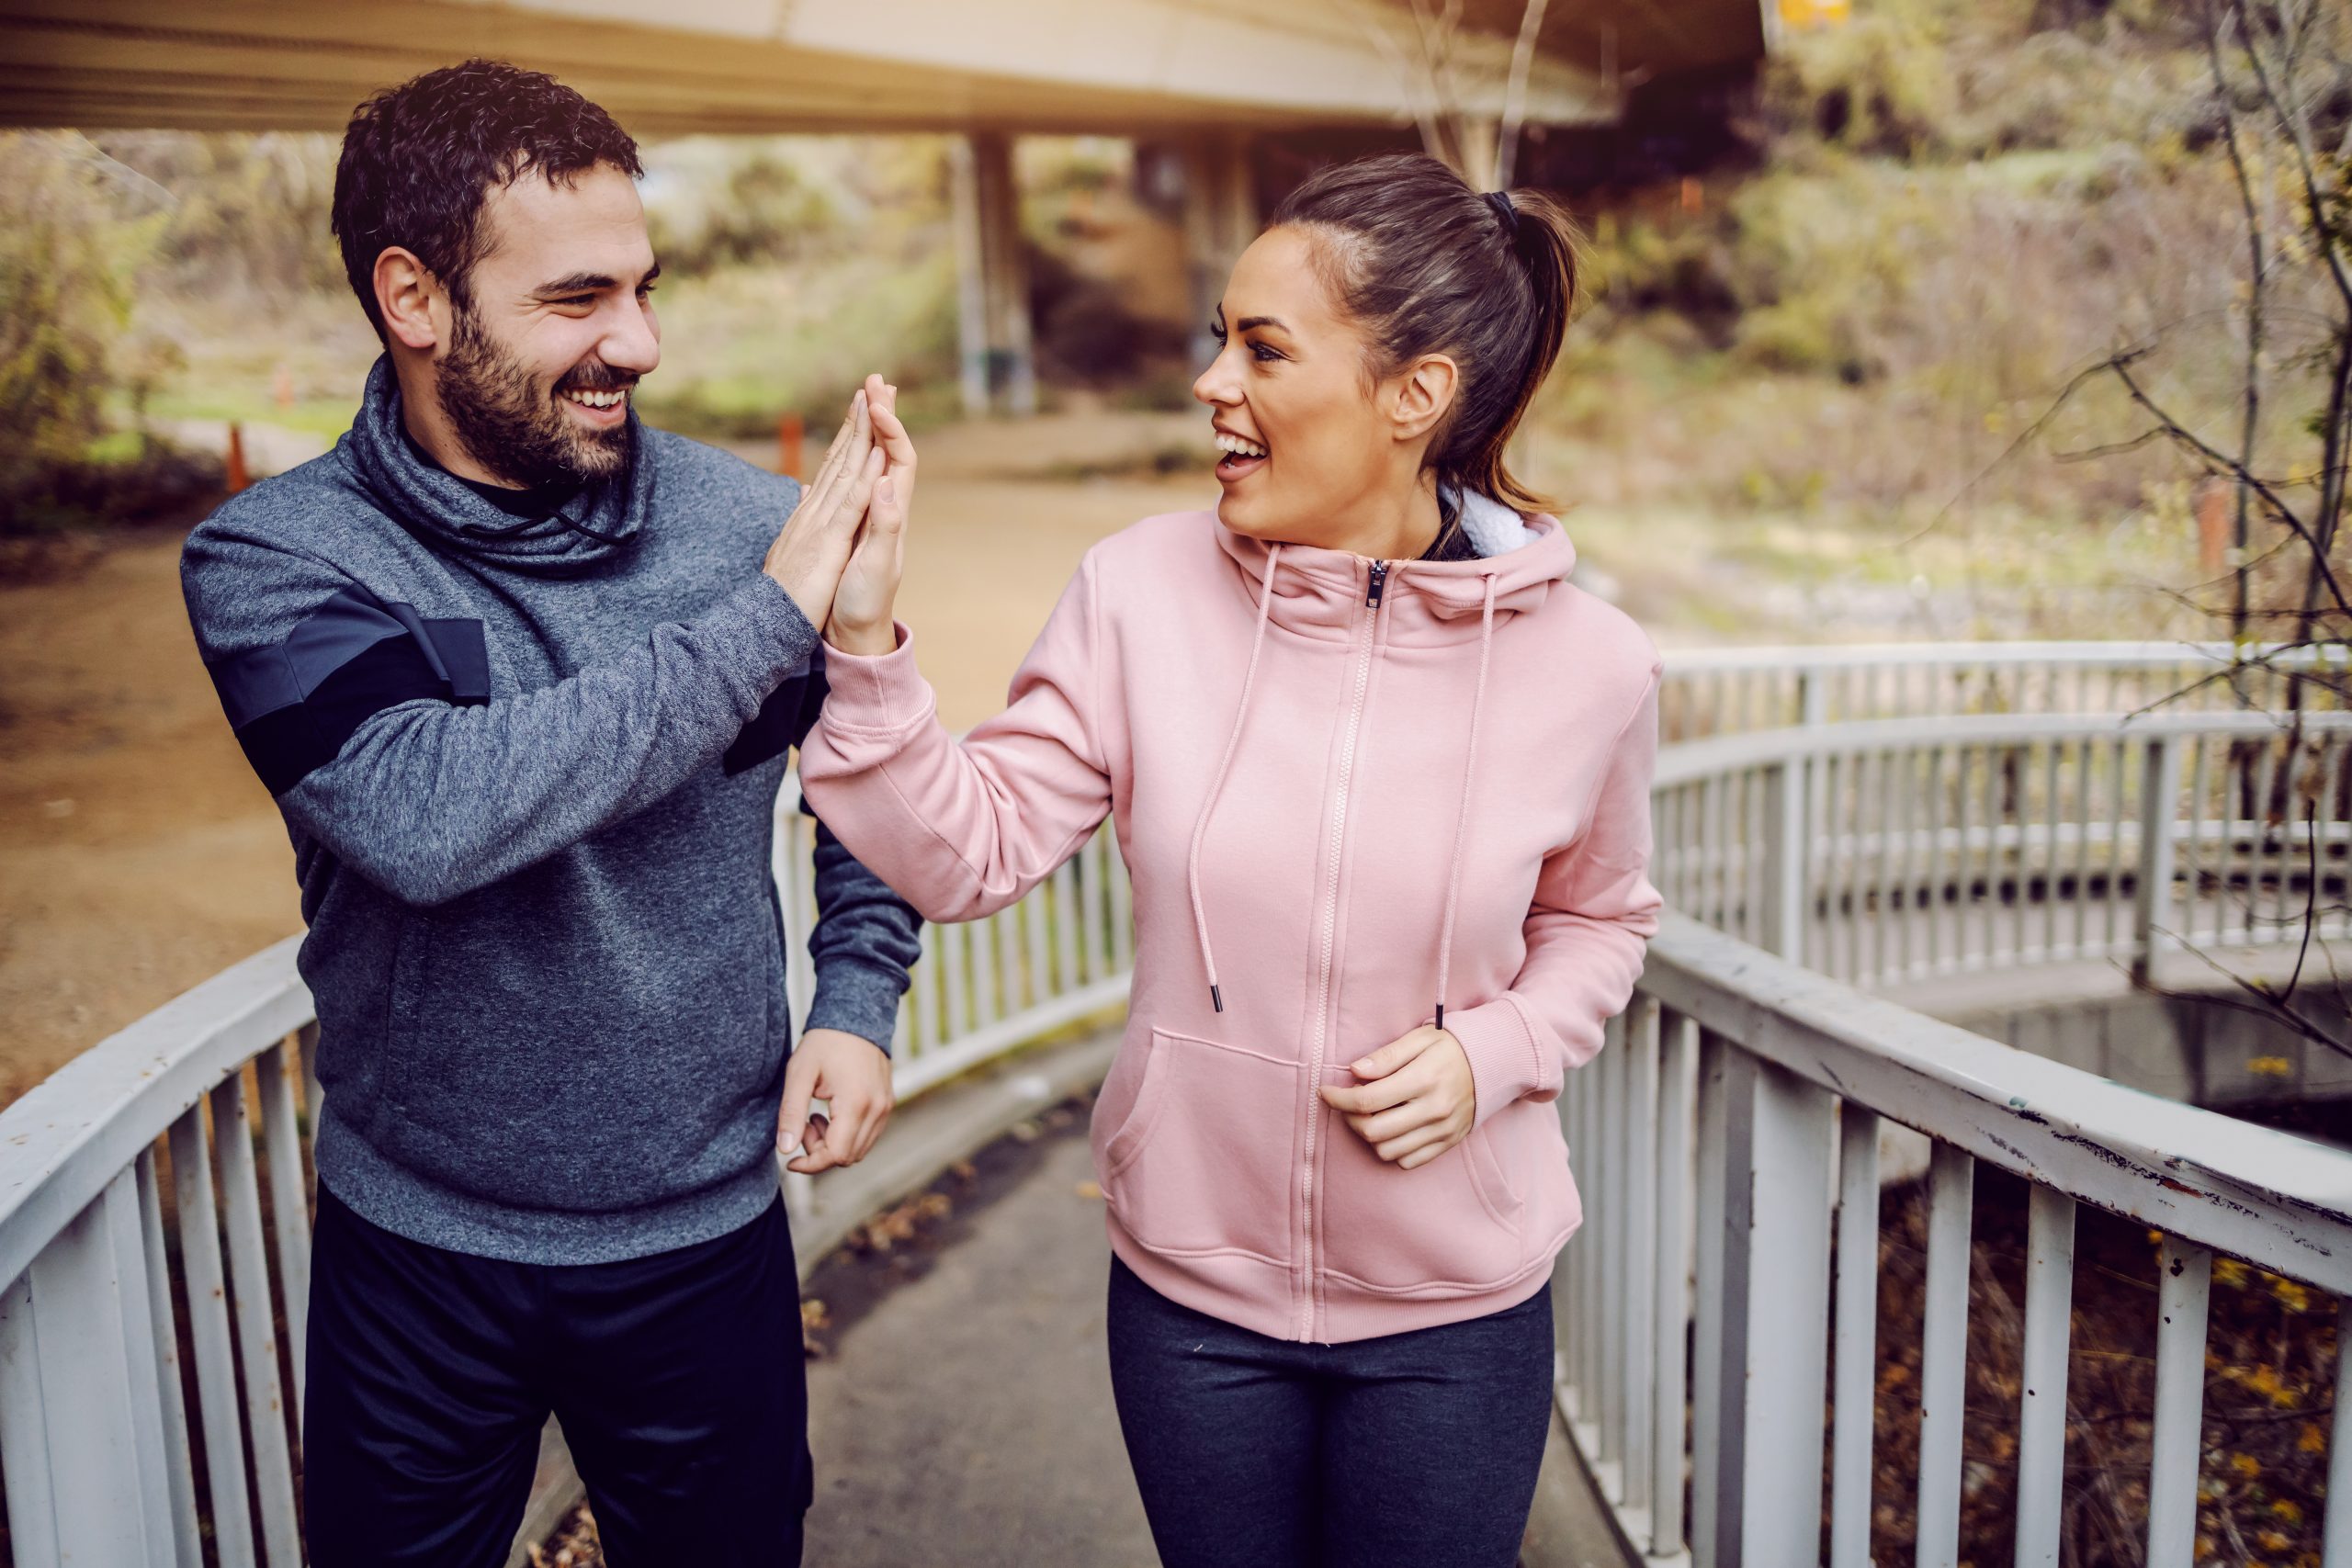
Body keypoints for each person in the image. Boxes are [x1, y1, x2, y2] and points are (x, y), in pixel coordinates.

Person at [802, 151, 1664, 1566]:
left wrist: (1493, 1051)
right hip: (1192, 1308)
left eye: (1262, 347)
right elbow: (965, 855)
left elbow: (1603, 922)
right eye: (1220, 338)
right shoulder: (1137, 595)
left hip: (1455, 1320)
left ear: (1414, 395)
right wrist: (866, 643)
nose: (1212, 382)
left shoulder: (1591, 667)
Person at [178, 61, 920, 1567]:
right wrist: (774, 614)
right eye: (579, 300)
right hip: (419, 1248)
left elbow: (873, 778)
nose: (636, 344)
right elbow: (427, 817)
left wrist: (859, 992)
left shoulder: (736, 524)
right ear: (414, 297)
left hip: (705, 1230)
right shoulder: (277, 560)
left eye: (645, 290)